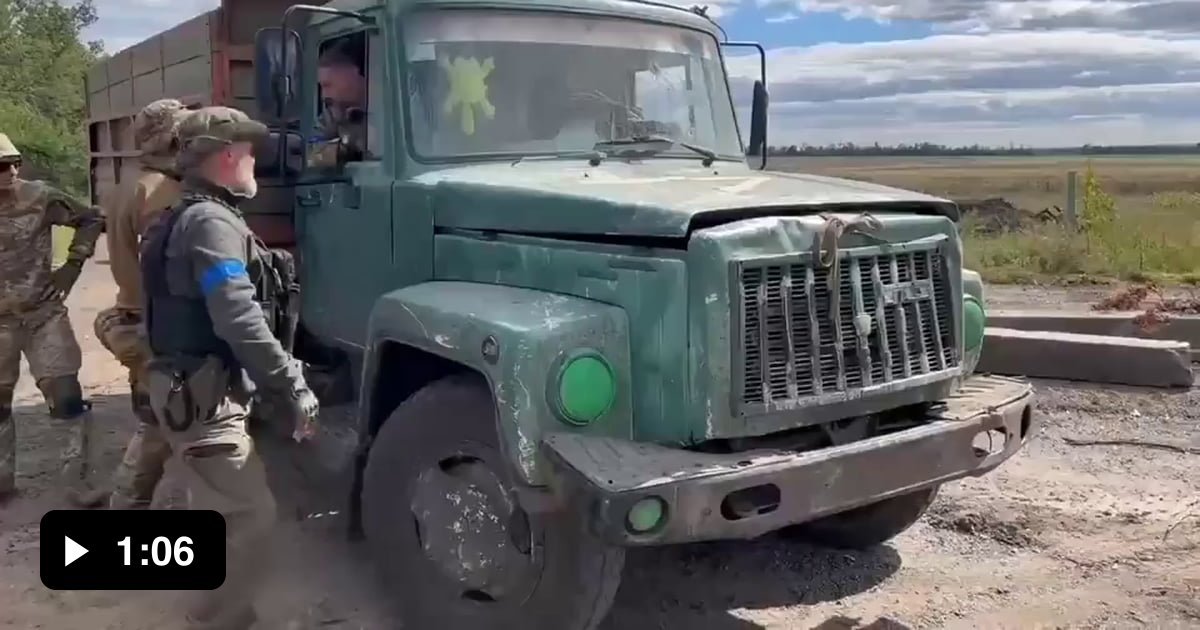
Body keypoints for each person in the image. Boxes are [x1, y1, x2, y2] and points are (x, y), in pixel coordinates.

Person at [139, 105, 319, 630]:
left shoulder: (187, 213)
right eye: (250, 155)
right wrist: (290, 382)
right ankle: (220, 618)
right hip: (204, 395)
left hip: (188, 386)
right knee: (250, 516)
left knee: (215, 504)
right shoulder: (211, 222)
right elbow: (238, 316)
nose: (254, 165)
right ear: (228, 154)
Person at [92, 98, 190, 510]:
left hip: (140, 320)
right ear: (170, 138)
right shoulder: (163, 193)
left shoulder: (130, 185)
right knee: (175, 428)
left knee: (156, 423)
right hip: (163, 328)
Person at [0, 132, 105, 505]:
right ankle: (2, 483)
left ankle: (75, 484)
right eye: (1, 166)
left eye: (15, 162)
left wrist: (74, 263)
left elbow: (91, 218)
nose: (10, 171)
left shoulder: (38, 197)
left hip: (43, 313)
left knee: (66, 397)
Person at [314, 33, 369, 162]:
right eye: (321, 86)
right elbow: (315, 156)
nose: (323, 95)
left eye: (328, 85)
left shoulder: (396, 109)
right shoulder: (330, 117)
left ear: (358, 75)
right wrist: (342, 147)